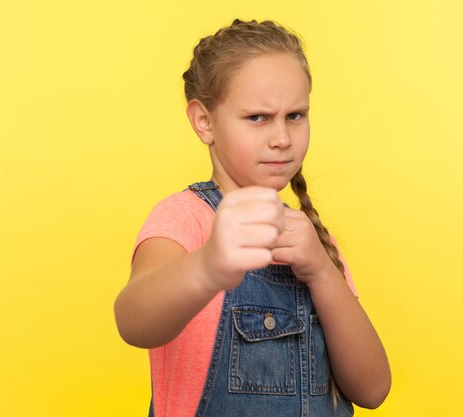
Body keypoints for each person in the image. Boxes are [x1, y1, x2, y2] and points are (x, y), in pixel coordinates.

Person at [114, 19, 391, 417]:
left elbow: (373, 389)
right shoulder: (185, 218)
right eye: (258, 118)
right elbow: (132, 321)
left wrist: (322, 272)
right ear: (204, 122)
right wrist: (209, 266)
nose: (281, 138)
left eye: (295, 115)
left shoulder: (310, 240)